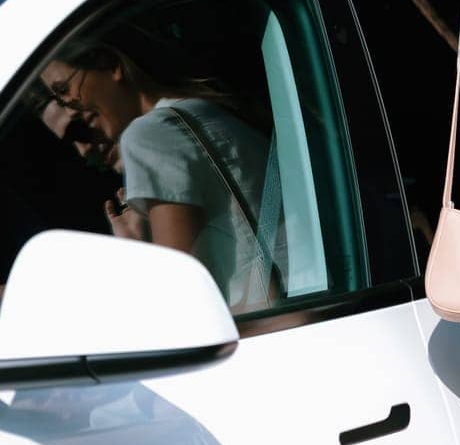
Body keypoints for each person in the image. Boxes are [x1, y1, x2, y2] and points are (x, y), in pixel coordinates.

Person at [38, 33, 283, 310]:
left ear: (111, 65)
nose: (69, 106)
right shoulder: (205, 110)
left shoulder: (147, 133)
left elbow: (178, 294)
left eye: (63, 90)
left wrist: (134, 248)